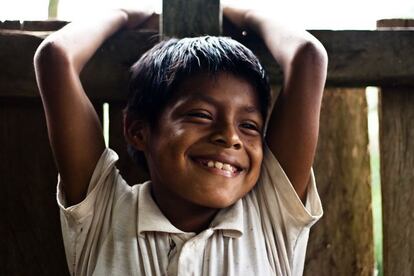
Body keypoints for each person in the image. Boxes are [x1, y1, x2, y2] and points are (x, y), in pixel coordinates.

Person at [34, 2, 327, 275]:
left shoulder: (270, 217)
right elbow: (54, 57)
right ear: (139, 131)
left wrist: (233, 8)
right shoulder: (104, 216)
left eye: (249, 125)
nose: (229, 136)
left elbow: (308, 56)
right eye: (201, 115)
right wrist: (126, 11)